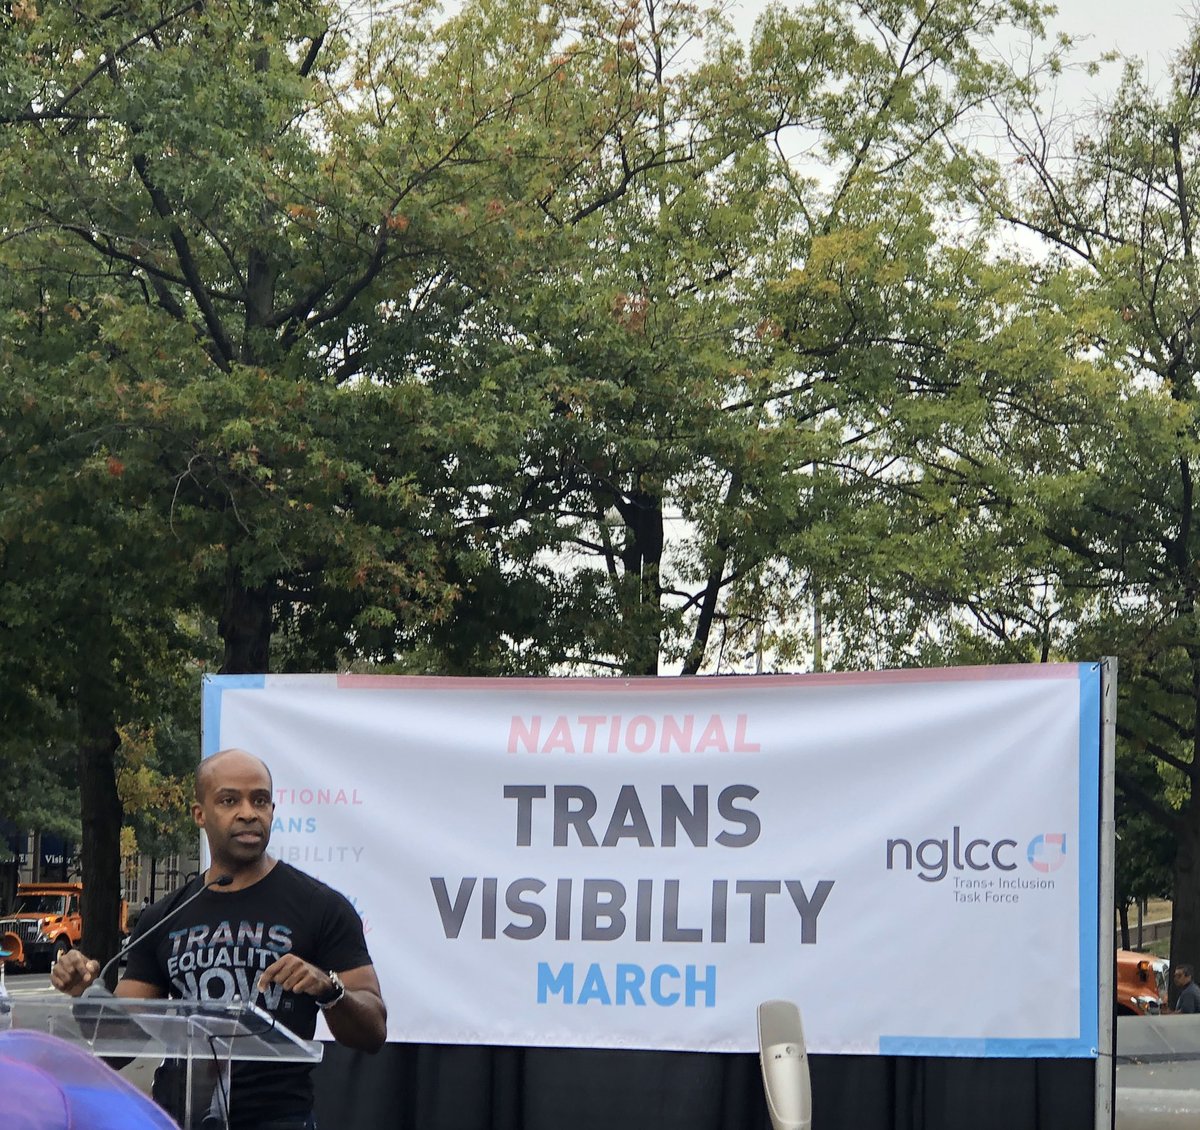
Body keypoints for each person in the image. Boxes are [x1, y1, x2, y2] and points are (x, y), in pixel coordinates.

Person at [51, 748, 387, 1129]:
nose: (248, 812)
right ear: (200, 814)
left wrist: (330, 990)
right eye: (230, 800)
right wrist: (85, 994)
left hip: (278, 1118)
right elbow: (120, 1046)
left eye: (260, 800)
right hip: (180, 1114)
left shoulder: (320, 907)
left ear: (272, 811)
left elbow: (373, 1030)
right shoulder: (165, 915)